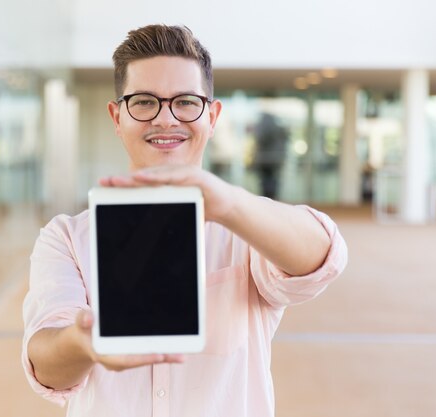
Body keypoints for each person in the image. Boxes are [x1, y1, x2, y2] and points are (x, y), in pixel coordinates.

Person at [23, 24, 347, 417]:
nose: (166, 119)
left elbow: (323, 256)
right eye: (144, 101)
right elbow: (45, 363)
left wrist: (227, 205)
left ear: (212, 117)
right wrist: (81, 342)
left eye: (186, 102)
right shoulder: (67, 238)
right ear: (117, 116)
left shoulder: (246, 225)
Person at [251, 112, 288, 199]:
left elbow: (261, 138)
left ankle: (268, 201)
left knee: (267, 184)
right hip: (273, 160)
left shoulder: (264, 126)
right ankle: (271, 200)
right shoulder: (278, 127)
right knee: (271, 183)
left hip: (266, 160)